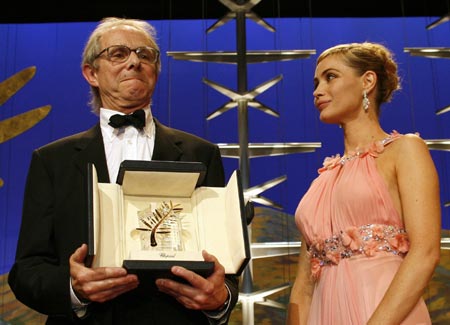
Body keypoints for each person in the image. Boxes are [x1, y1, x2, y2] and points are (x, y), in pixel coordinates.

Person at [8, 17, 239, 324]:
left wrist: (221, 299)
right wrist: (74, 288)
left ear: (156, 71)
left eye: (145, 55)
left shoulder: (202, 154)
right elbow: (27, 270)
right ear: (91, 72)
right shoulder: (52, 161)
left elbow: (223, 261)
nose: (134, 62)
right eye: (118, 53)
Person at [288, 42, 441, 324]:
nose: (317, 91)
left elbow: (426, 252)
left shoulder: (405, 150)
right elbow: (303, 285)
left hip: (384, 313)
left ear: (367, 81)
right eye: (316, 82)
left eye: (330, 77)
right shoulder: (321, 181)